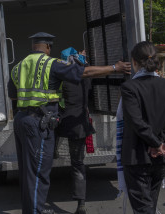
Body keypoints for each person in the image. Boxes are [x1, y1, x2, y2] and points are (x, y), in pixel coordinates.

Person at [8, 32, 131, 214]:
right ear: (48, 47)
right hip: (39, 123)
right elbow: (84, 72)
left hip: (21, 120)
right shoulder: (52, 63)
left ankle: (34, 209)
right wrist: (115, 67)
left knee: (28, 171)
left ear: (33, 46)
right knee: (40, 173)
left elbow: (12, 95)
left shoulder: (18, 67)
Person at [120, 41, 165, 214]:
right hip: (161, 156)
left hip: (137, 155)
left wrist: (156, 143)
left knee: (143, 207)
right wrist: (162, 142)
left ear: (134, 61)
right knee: (150, 201)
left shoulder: (130, 87)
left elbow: (136, 122)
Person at [56, 48, 94, 214]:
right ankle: (81, 204)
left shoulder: (62, 77)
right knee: (78, 164)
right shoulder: (85, 76)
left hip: (61, 123)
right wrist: (84, 60)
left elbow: (57, 98)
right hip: (79, 125)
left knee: (45, 161)